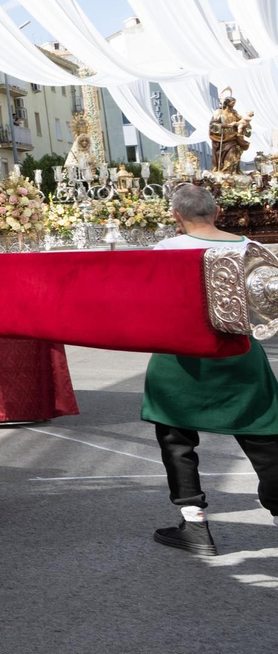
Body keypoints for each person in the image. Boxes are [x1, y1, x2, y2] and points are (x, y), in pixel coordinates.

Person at [145, 183, 278, 556]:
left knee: (176, 438)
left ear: (176, 216)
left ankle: (195, 524)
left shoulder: (165, 250)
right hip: (239, 351)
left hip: (180, 356)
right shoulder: (250, 248)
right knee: (265, 435)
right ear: (217, 212)